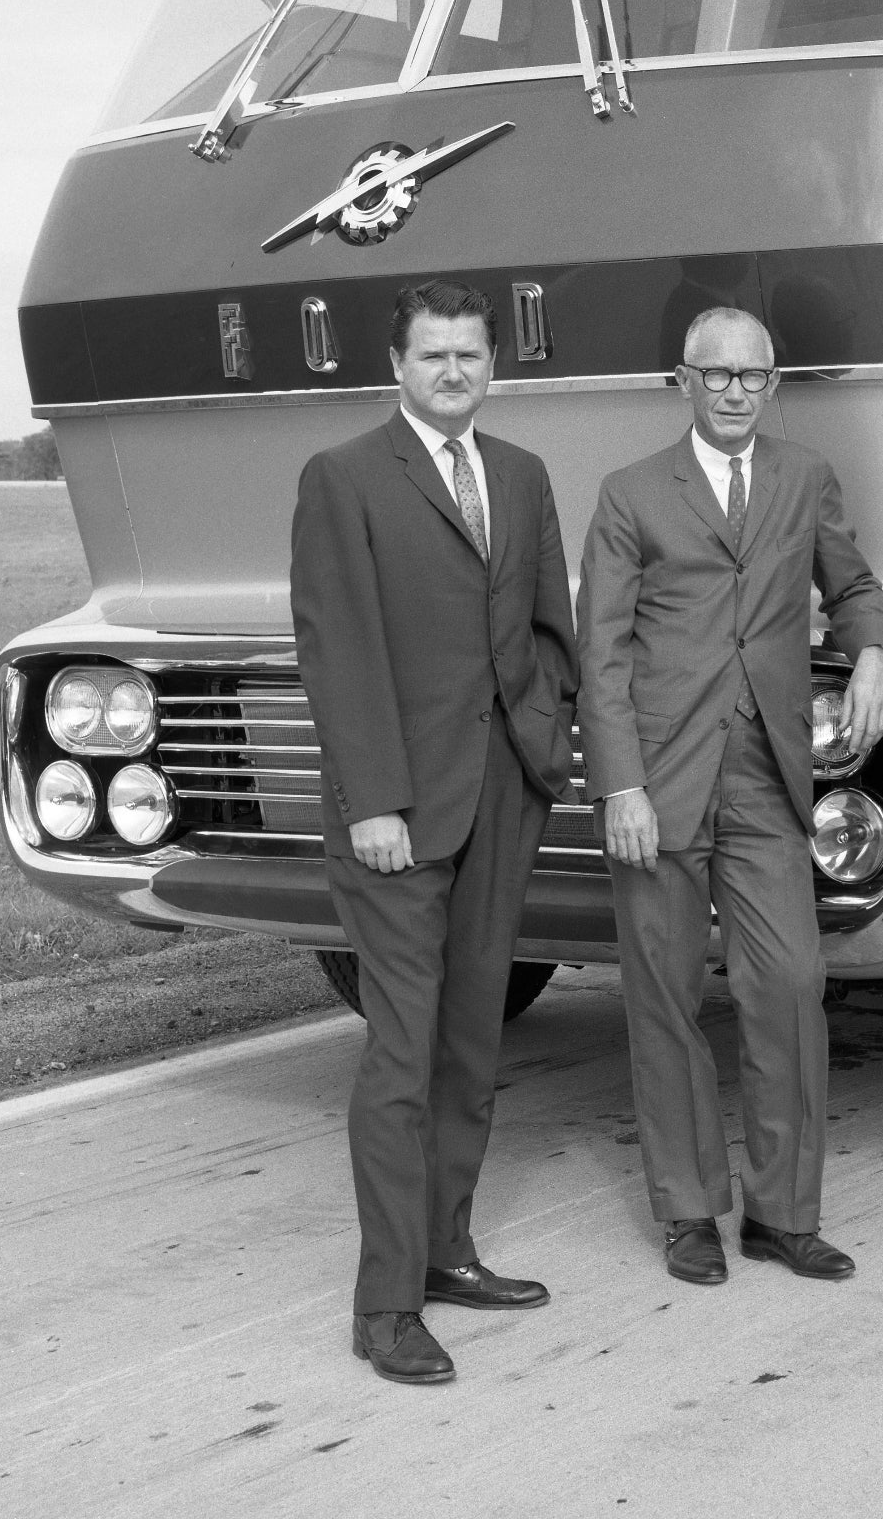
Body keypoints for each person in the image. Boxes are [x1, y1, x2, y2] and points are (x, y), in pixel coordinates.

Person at [290, 279, 577, 1384]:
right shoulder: (345, 477)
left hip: (503, 789)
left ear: (490, 362)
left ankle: (449, 1248)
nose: (453, 370)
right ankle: (384, 1301)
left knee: (471, 1039)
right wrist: (369, 799)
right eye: (432, 355)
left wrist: (542, 735)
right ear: (396, 364)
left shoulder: (520, 472)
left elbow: (549, 621)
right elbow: (338, 648)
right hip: (397, 809)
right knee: (402, 1051)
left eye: (469, 354)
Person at [578, 307, 883, 1288]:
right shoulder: (630, 492)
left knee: (789, 983)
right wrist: (621, 784)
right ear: (683, 380)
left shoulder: (804, 478)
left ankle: (781, 1213)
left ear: (773, 383)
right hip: (661, 778)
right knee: (665, 995)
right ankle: (686, 1209)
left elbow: (850, 585)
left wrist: (873, 651)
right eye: (714, 374)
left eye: (751, 375)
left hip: (766, 771)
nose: (732, 390)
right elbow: (601, 652)